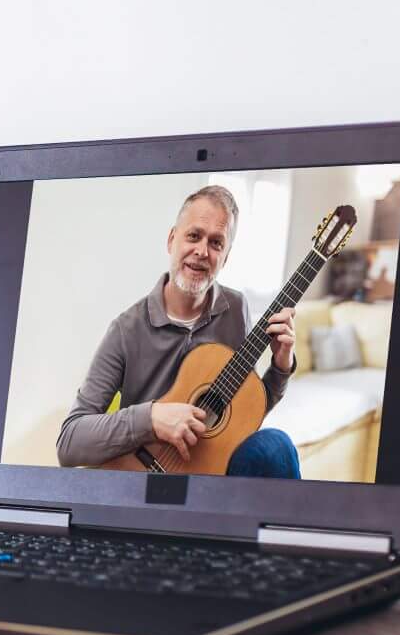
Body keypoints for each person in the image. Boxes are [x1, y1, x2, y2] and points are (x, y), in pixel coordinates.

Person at [55, 184, 303, 476]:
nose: (202, 251)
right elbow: (69, 443)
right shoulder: (126, 329)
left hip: (210, 476)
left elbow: (243, 413)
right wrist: (152, 419)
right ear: (172, 240)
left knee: (276, 445)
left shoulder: (236, 309)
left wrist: (281, 365)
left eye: (216, 243)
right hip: (147, 480)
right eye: (194, 236)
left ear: (226, 257)